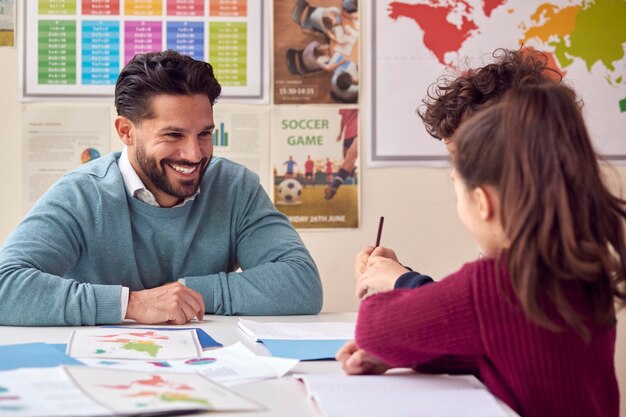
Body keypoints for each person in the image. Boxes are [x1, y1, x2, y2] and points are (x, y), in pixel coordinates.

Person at [338, 84, 625, 417]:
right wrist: (404, 355)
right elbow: (497, 350)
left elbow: (373, 327)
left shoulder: (494, 282)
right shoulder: (580, 269)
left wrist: (394, 293)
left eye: (456, 187)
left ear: (482, 202)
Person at [0, 50, 323, 326]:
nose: (194, 154)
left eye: (204, 134)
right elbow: (6, 286)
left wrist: (183, 293)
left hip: (208, 366)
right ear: (126, 132)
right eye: (173, 135)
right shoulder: (81, 195)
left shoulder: (235, 186)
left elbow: (300, 284)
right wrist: (132, 304)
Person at [354, 48, 562, 298]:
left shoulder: (537, 262)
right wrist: (399, 277)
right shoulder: (562, 246)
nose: (454, 175)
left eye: (461, 160)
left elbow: (467, 309)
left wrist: (401, 281)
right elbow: (467, 310)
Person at [325, 108, 358, 200]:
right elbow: (343, 120)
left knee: (352, 154)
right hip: (348, 134)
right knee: (346, 159)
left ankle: (334, 186)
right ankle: (351, 170)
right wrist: (340, 133)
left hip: (359, 132)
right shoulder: (343, 106)